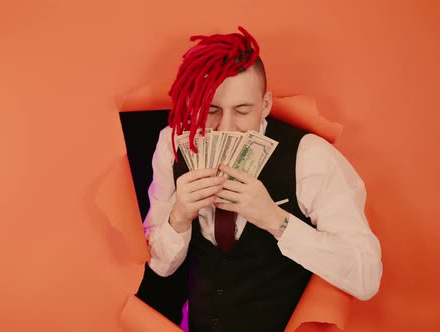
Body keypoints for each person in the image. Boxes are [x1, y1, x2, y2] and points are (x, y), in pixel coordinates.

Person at [140, 26, 383, 332]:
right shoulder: (172, 146)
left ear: (265, 105)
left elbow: (367, 276)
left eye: (242, 110)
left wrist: (275, 219)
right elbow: (161, 267)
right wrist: (179, 218)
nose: (226, 128)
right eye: (211, 110)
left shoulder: (309, 157)